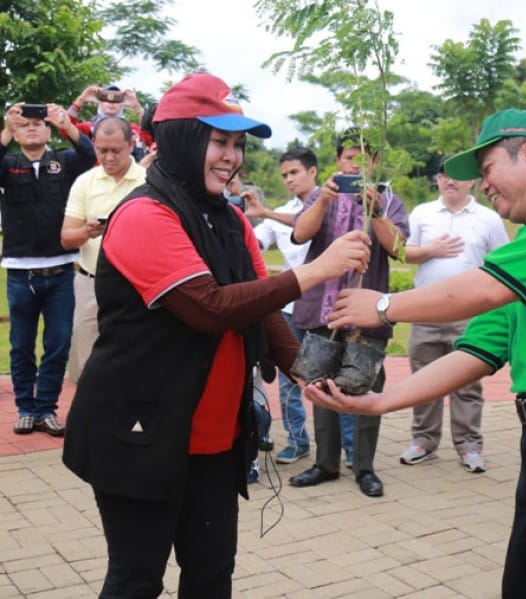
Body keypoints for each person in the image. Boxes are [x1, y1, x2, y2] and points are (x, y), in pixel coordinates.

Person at [307, 109, 526, 599]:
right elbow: (474, 351)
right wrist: (377, 404)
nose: (483, 183)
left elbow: (481, 290)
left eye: (489, 167)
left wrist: (386, 306)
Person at [61, 72, 370, 598]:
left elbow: (261, 305)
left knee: (211, 576)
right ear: (182, 137)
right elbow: (208, 307)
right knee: (136, 581)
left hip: (215, 439)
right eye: (218, 140)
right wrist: (314, 272)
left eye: (237, 144)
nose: (231, 156)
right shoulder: (143, 215)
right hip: (139, 433)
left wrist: (305, 373)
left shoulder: (228, 220)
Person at [288, 128, 409, 498]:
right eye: (348, 157)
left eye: (362, 158)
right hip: (321, 309)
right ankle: (325, 463)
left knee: (367, 385)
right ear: (338, 162)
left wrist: (372, 212)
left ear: (374, 163)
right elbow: (299, 235)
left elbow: (399, 248)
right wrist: (322, 201)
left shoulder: (389, 201)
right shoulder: (318, 196)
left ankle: (365, 467)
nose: (354, 164)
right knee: (319, 384)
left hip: (367, 311)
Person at [398, 154, 508, 472]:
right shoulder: (422, 213)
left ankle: (469, 446)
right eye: (443, 175)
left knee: (467, 383)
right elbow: (403, 251)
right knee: (423, 379)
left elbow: (501, 263)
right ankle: (423, 441)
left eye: (456, 176)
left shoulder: (488, 218)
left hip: (469, 315)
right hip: (425, 311)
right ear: (437, 180)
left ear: (472, 180)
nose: (449, 181)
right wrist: (430, 250)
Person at [0, 101, 96, 436]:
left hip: (60, 271)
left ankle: (47, 410)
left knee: (57, 344)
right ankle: (26, 408)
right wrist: (5, 131)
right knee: (21, 346)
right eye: (23, 123)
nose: (31, 127)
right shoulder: (8, 163)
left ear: (46, 129)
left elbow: (91, 158)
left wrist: (66, 125)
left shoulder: (63, 160)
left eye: (37, 123)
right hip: (19, 272)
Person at [60, 117, 147, 382]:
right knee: (87, 361)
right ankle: (91, 421)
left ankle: (136, 421)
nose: (108, 157)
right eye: (101, 150)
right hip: (90, 283)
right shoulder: (84, 182)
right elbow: (66, 238)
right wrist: (87, 231)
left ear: (131, 145)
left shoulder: (149, 182)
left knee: (138, 357)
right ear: (94, 145)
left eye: (116, 151)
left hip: (136, 285)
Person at [246, 148, 315, 464]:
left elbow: (305, 222)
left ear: (312, 172)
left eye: (295, 172)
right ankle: (298, 441)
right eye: (285, 175)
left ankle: (347, 448)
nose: (289, 179)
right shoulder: (278, 215)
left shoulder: (334, 205)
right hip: (290, 310)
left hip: (327, 309)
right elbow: (253, 242)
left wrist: (265, 212)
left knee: (330, 376)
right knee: (290, 379)